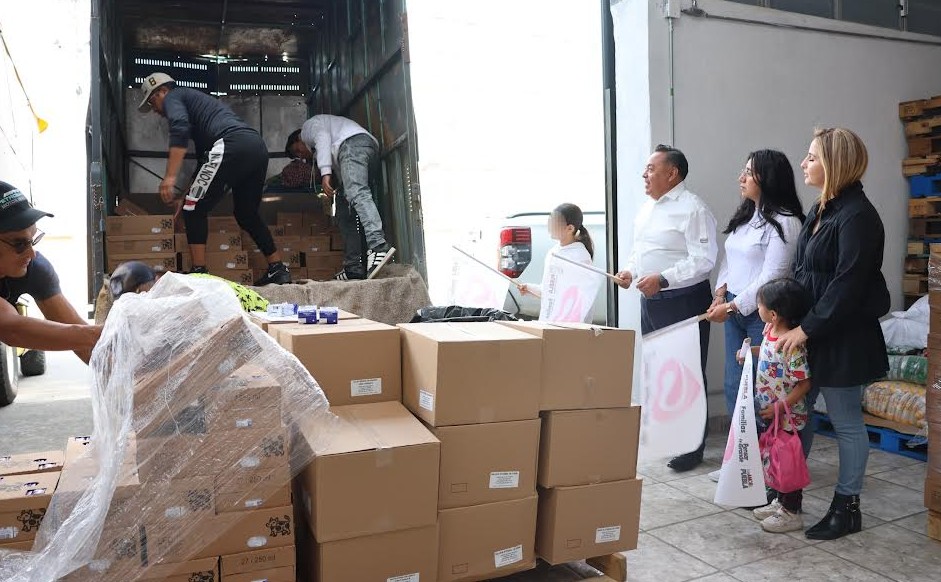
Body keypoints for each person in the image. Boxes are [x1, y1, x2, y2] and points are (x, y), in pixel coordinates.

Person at [777, 127, 889, 541]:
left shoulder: (859, 216)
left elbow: (848, 284)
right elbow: (806, 274)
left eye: (811, 157)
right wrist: (788, 319)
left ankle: (848, 507)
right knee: (801, 417)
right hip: (814, 332)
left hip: (843, 336)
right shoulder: (823, 208)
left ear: (834, 163)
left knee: (846, 424)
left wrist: (807, 328)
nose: (804, 163)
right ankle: (787, 497)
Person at [704, 150, 805, 482]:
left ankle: (769, 464)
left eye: (749, 172)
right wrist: (720, 292)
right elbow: (729, 261)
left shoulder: (786, 221)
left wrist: (732, 306)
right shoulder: (747, 216)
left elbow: (773, 275)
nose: (741, 178)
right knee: (735, 385)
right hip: (733, 307)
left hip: (765, 314)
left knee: (764, 390)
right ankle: (739, 461)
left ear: (767, 178)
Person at [615, 144, 718, 472]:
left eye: (651, 169)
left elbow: (704, 261)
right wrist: (630, 271)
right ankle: (669, 437)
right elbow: (641, 250)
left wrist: (664, 278)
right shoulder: (648, 208)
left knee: (687, 372)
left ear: (672, 173)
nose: (644, 175)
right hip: (653, 301)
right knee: (661, 371)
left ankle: (692, 447)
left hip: (683, 300)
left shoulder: (693, 208)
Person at [137, 72, 289, 286]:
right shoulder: (200, 114)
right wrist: (187, 195)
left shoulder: (174, 96)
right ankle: (278, 268)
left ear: (162, 91)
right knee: (246, 213)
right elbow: (204, 162)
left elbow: (178, 129)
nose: (154, 110)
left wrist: (170, 177)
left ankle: (200, 272)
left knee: (193, 209)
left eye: (152, 101)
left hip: (231, 143)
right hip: (255, 147)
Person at [737, 278, 812, 533]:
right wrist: (750, 352)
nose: (757, 308)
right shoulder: (768, 331)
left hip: (788, 417)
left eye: (759, 304)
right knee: (774, 460)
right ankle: (779, 501)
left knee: (787, 462)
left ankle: (792, 511)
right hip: (770, 413)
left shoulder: (793, 346)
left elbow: (804, 385)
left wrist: (781, 407)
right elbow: (768, 355)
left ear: (773, 313)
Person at [0, 181, 101, 360]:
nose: (31, 253)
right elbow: (11, 329)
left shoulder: (35, 267)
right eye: (19, 244)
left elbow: (88, 347)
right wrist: (102, 334)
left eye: (33, 239)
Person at [285, 115, 395, 280]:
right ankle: (353, 267)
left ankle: (378, 246)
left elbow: (323, 137)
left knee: (357, 192)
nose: (301, 156)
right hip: (361, 150)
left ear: (298, 138)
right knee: (344, 212)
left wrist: (325, 173)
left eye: (297, 150)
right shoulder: (323, 150)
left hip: (353, 144)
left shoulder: (308, 128)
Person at [519, 203, 595, 322]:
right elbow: (551, 291)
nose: (550, 226)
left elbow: (579, 299)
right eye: (550, 221)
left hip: (570, 327)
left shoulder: (580, 256)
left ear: (570, 228)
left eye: (555, 223)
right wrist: (529, 288)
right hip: (550, 322)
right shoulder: (553, 252)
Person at [108, 261, 269, 313]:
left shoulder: (187, 291)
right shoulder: (181, 286)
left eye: (141, 296)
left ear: (156, 281)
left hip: (262, 321)